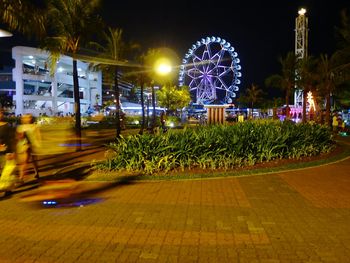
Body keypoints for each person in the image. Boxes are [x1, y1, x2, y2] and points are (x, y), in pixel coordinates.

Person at [16, 114, 41, 179]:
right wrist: (21, 135)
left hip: (33, 145)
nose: (27, 119)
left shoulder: (34, 126)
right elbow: (18, 138)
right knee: (24, 162)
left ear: (31, 119)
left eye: (28, 117)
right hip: (24, 146)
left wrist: (38, 144)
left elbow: (38, 135)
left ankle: (36, 172)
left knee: (34, 161)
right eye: (25, 118)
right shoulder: (20, 127)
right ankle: (21, 177)